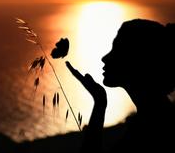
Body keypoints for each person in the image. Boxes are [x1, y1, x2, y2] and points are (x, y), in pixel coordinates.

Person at [66, 19, 175, 152]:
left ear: (137, 60)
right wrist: (99, 100)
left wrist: (99, 104)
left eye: (117, 50)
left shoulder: (152, 126)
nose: (104, 58)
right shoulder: (155, 115)